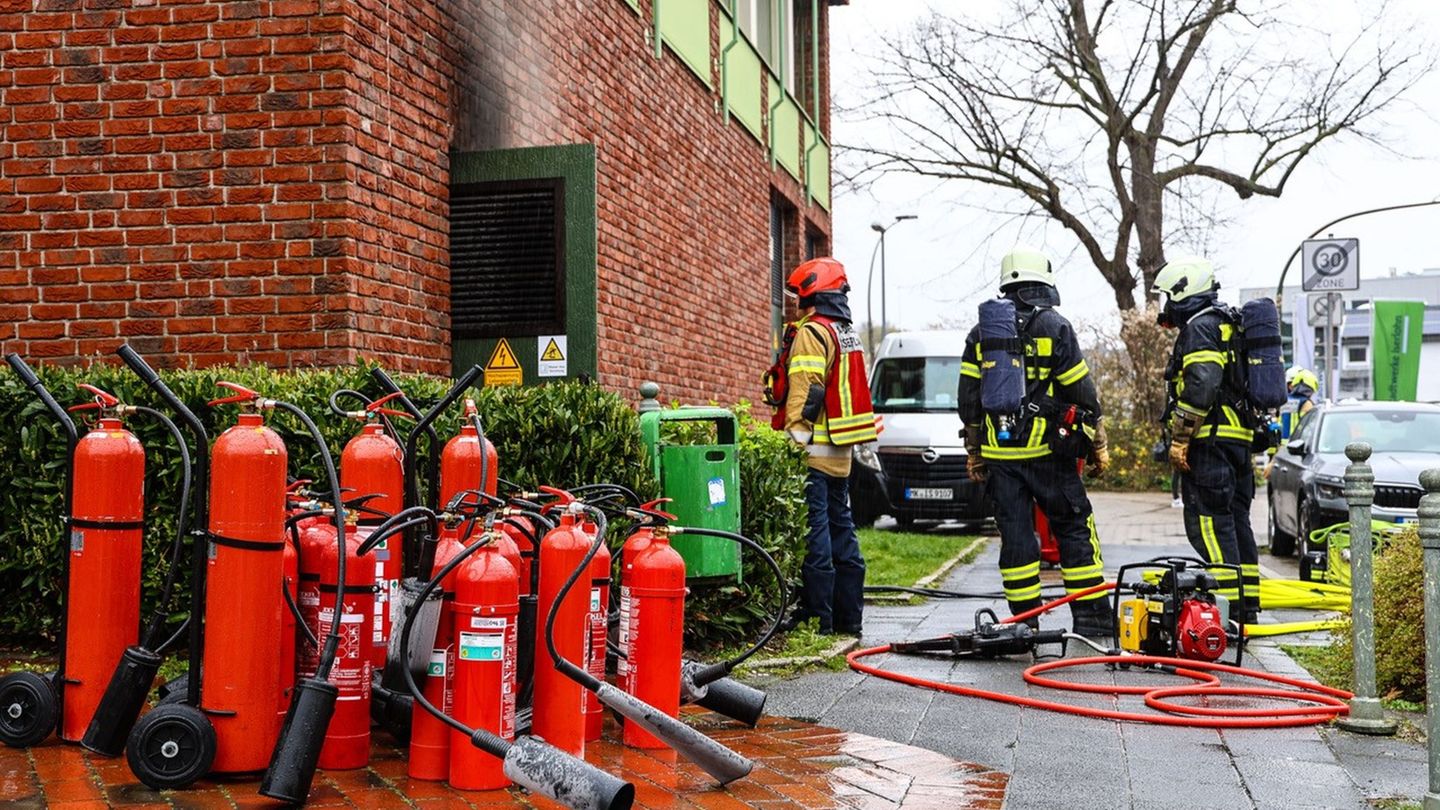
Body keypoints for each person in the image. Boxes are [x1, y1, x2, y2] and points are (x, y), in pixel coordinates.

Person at [957, 246, 1112, 638]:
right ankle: (1092, 619)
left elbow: (969, 401)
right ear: (1043, 284)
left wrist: (974, 453)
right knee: (1074, 527)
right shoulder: (1055, 326)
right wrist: (1098, 443)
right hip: (1049, 454)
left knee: (1017, 538)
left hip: (1000, 457)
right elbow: (1082, 391)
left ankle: (1023, 623)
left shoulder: (981, 334)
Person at [768, 257, 879, 636]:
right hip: (841, 453)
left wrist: (795, 441)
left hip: (814, 452)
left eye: (798, 295)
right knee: (842, 530)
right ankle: (850, 619)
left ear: (810, 293)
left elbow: (807, 387)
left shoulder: (813, 332)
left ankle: (819, 618)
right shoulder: (844, 331)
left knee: (816, 533)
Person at [1153, 255, 1260, 623]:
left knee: (1211, 526)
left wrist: (1181, 438)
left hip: (1209, 442)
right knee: (1236, 522)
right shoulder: (1228, 324)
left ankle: (1228, 615)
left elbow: (1202, 382)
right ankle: (1248, 608)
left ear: (1185, 292)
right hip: (1237, 441)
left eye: (1168, 296)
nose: (1165, 306)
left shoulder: (1200, 328)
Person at [1262, 367, 1318, 480]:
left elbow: (1279, 425)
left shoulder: (1285, 401)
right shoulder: (1306, 404)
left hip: (1283, 447)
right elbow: (1309, 428)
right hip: (1298, 448)